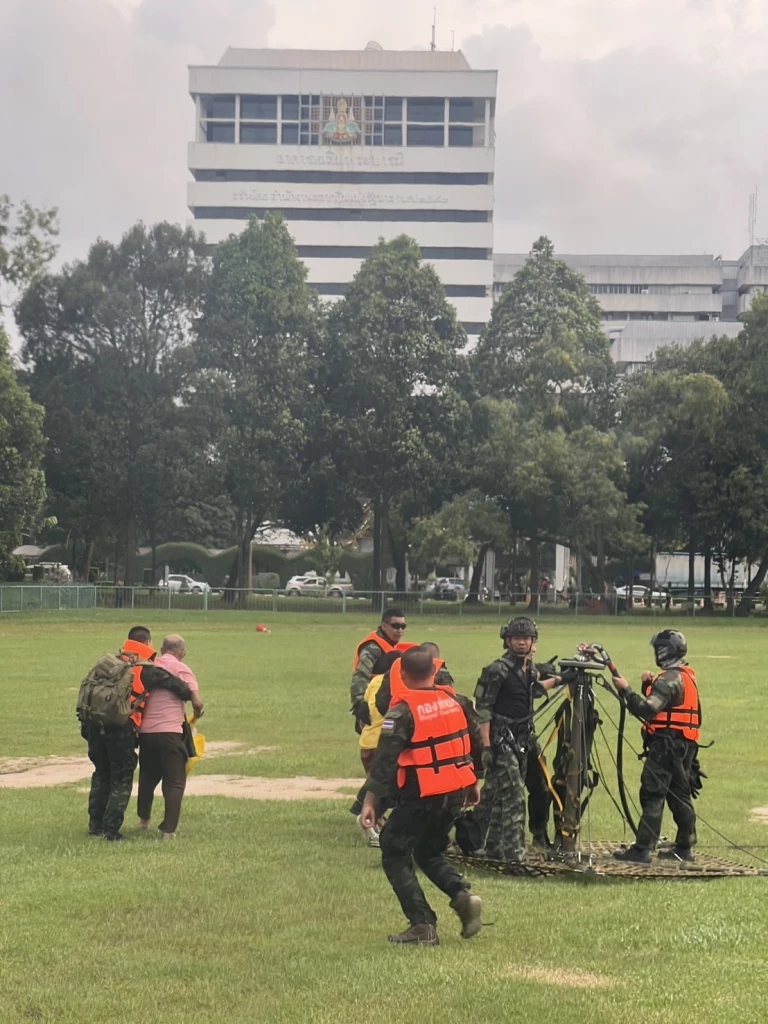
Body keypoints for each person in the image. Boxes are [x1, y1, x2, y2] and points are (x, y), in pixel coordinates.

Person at [360, 646, 485, 946]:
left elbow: (385, 762)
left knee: (393, 850)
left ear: (401, 674)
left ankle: (422, 925)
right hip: (455, 790)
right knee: (428, 850)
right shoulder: (457, 701)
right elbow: (476, 744)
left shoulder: (401, 712)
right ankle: (462, 895)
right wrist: (475, 782)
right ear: (434, 671)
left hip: (422, 792)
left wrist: (369, 801)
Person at [82, 625, 197, 841]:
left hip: (95, 726)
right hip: (121, 729)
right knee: (121, 778)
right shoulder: (146, 668)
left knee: (101, 774)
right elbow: (182, 689)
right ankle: (111, 830)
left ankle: (95, 824)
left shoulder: (111, 663)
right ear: (147, 644)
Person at [467, 617, 561, 862]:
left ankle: (491, 846)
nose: (522, 642)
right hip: (500, 739)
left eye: (526, 638)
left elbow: (534, 689)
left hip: (522, 739)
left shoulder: (528, 668)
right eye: (517, 638)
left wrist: (563, 679)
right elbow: (483, 710)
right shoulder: (496, 670)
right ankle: (514, 854)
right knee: (515, 796)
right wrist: (486, 746)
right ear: (508, 641)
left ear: (533, 642)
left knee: (495, 794)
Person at [611, 629, 701, 864]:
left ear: (664, 651)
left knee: (653, 794)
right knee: (679, 795)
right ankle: (684, 846)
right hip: (685, 745)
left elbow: (647, 710)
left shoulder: (669, 678)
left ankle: (642, 850)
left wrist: (626, 690)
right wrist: (648, 685)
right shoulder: (686, 675)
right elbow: (669, 706)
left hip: (666, 746)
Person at [137, 634, 205, 839]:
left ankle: (144, 821)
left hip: (146, 733)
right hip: (170, 733)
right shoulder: (182, 669)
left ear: (162, 648)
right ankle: (168, 830)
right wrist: (199, 711)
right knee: (174, 781)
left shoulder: (150, 666)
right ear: (181, 651)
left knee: (147, 777)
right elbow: (197, 703)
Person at [349, 608, 414, 732]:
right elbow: (360, 675)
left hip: (386, 702)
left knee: (388, 738)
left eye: (403, 626)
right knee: (374, 743)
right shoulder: (372, 647)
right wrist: (359, 704)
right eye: (395, 626)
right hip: (372, 706)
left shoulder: (389, 644)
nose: (400, 630)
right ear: (384, 626)